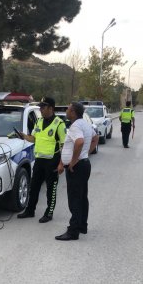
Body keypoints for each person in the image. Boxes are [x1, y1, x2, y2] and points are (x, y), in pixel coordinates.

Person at [17, 97, 66, 223]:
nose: (41, 109)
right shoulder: (38, 121)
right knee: (34, 187)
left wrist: (61, 164)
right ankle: (30, 211)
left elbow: (64, 146)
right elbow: (33, 138)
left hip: (52, 161)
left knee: (51, 189)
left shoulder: (59, 124)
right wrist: (23, 136)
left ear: (51, 108)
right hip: (39, 160)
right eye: (40, 107)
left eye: (43, 107)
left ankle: (49, 213)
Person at [55, 101, 99, 241]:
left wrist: (73, 161)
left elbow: (79, 142)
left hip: (77, 168)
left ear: (73, 112)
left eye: (68, 109)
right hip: (84, 165)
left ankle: (73, 231)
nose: (66, 111)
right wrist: (85, 154)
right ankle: (82, 226)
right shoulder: (85, 124)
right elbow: (95, 138)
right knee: (82, 197)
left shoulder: (75, 126)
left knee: (74, 199)